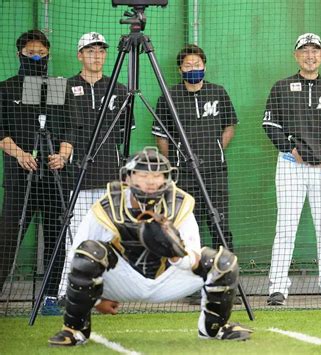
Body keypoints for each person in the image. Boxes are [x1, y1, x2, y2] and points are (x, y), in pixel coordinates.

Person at [48, 147, 252, 346]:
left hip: (168, 280)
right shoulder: (107, 206)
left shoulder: (179, 204)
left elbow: (195, 256)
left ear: (167, 178)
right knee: (90, 251)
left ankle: (214, 328)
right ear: (127, 177)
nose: (151, 181)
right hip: (121, 282)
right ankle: (75, 329)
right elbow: (77, 255)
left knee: (223, 262)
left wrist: (175, 253)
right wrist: (96, 300)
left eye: (158, 175)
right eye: (143, 175)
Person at [262, 33, 321, 306]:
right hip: (291, 166)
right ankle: (277, 289)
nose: (310, 55)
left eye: (315, 51)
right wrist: (290, 149)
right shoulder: (281, 87)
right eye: (304, 50)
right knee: (286, 228)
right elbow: (269, 125)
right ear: (296, 55)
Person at [0, 30, 72, 306]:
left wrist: (62, 156)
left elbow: (69, 131)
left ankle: (51, 296)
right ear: (19, 54)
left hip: (53, 179)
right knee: (8, 237)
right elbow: (1, 132)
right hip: (20, 179)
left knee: (56, 237)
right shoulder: (6, 88)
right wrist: (19, 154)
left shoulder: (56, 87)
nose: (36, 56)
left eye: (41, 52)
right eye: (31, 52)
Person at [57, 32, 132, 296]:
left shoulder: (119, 89)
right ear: (80, 55)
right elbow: (57, 131)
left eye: (100, 51)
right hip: (75, 177)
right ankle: (70, 292)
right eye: (90, 51)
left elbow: (125, 133)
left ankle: (106, 293)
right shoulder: (63, 86)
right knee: (75, 237)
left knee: (109, 239)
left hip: (109, 178)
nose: (96, 56)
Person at [153, 44, 238, 252]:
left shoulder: (218, 92)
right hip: (184, 174)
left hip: (215, 172)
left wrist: (217, 148)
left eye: (197, 64)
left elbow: (229, 126)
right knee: (187, 224)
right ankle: (188, 273)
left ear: (205, 66)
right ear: (180, 69)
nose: (193, 69)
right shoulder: (168, 97)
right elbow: (161, 137)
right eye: (188, 65)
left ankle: (225, 273)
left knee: (219, 223)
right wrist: (173, 163)